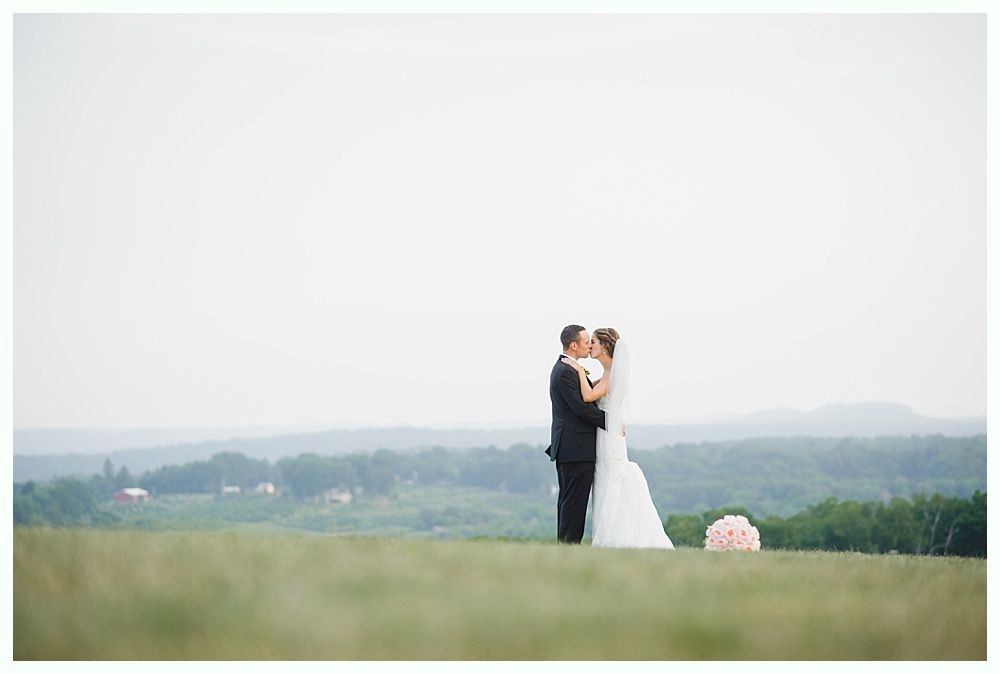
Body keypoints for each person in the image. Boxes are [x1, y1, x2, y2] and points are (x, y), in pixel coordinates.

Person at [561, 328, 674, 549]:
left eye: (592, 342)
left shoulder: (612, 373)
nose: (590, 346)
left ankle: (615, 536)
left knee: (611, 479)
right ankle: (608, 534)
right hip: (605, 434)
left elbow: (587, 396)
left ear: (604, 346)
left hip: (609, 439)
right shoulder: (607, 373)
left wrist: (576, 369)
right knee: (606, 481)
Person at [546, 324, 607, 544]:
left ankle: (566, 547)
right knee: (574, 502)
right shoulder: (565, 371)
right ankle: (569, 547)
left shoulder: (569, 368)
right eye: (585, 341)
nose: (589, 344)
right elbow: (581, 408)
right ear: (574, 345)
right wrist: (610, 422)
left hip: (573, 448)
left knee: (570, 501)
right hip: (575, 448)